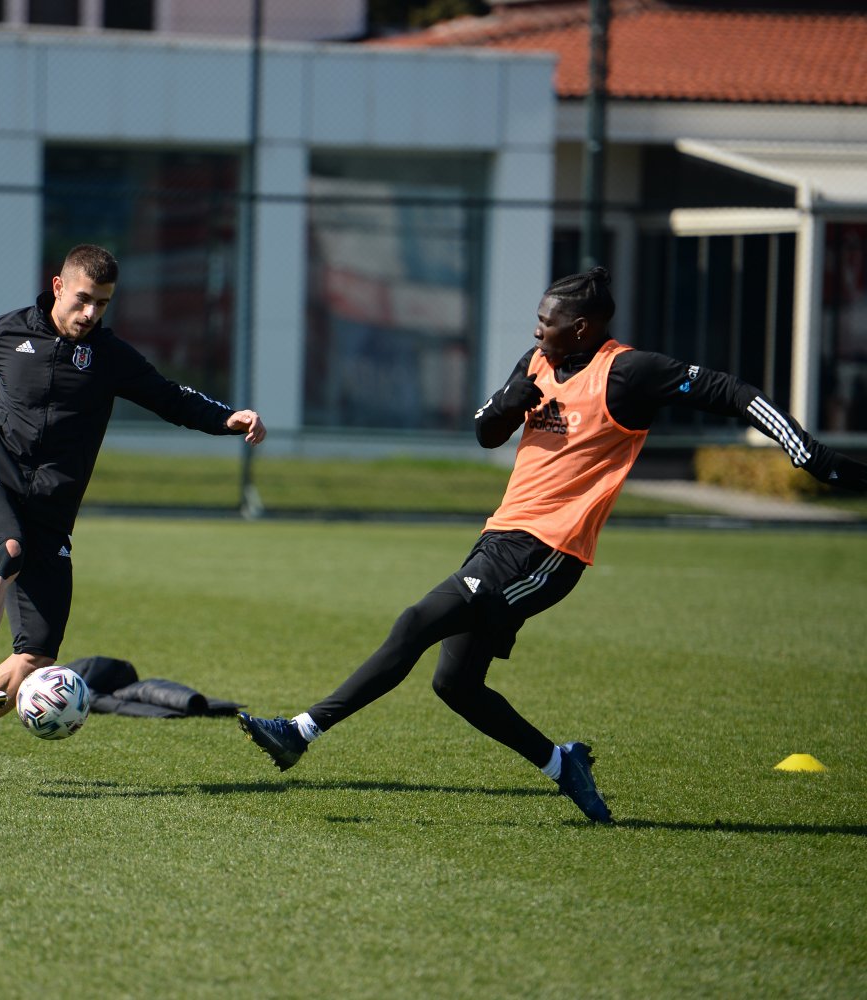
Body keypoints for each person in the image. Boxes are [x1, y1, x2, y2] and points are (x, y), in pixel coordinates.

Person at [238, 266, 867, 824]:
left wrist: (801, 447)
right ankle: (561, 763)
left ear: (584, 328)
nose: (538, 331)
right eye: (538, 321)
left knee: (417, 620)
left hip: (548, 553)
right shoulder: (536, 362)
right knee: (455, 685)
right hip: (499, 537)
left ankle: (301, 730)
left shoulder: (626, 372)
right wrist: (511, 402)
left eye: (549, 323)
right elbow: (486, 433)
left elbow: (730, 391)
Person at [0, 244, 266, 785]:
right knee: (7, 551)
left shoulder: (110, 357)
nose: (91, 313)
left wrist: (228, 418)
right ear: (59, 287)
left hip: (53, 513)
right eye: (84, 299)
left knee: (36, 658)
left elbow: (171, 398)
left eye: (103, 304)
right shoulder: (9, 332)